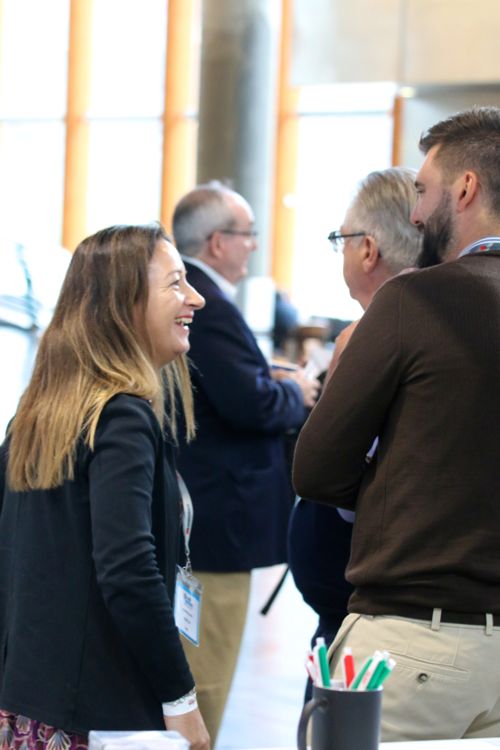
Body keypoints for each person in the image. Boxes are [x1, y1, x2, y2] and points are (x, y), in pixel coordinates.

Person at [293, 105, 500, 741]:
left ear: (465, 189)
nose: (414, 214)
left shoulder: (413, 300)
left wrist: (402, 491)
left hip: (412, 641)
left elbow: (317, 468)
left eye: (422, 190)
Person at [0, 224, 210, 750]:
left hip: (28, 705)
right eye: (176, 283)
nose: (196, 298)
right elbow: (127, 569)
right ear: (124, 304)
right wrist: (181, 700)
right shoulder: (122, 416)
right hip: (98, 717)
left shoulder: (35, 416)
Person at [172, 181, 319, 744]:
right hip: (217, 521)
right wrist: (295, 392)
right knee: (206, 675)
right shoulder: (205, 303)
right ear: (216, 241)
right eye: (247, 234)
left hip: (207, 514)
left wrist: (269, 377)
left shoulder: (196, 296)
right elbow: (249, 403)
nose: (253, 245)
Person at [287, 167, 423, 700]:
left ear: (368, 249)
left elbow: (333, 468)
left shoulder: (370, 338)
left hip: (364, 606)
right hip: (357, 598)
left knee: (338, 726)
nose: (340, 250)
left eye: (340, 238)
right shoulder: (428, 324)